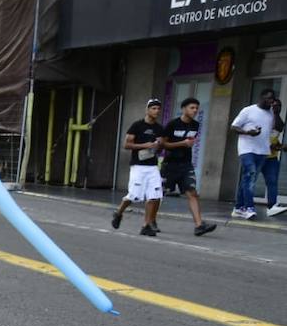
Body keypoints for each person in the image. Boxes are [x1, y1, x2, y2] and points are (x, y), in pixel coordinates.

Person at [158, 98, 216, 236]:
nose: (195, 110)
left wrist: (188, 144)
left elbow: (190, 142)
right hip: (170, 164)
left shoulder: (196, 125)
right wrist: (182, 144)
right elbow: (163, 145)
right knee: (159, 195)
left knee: (192, 193)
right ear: (183, 109)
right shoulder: (172, 124)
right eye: (192, 107)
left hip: (186, 164)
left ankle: (199, 225)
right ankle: (150, 221)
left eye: (197, 108)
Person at [111, 99, 165, 237]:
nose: (156, 111)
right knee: (134, 195)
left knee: (154, 195)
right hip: (138, 166)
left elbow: (161, 145)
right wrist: (145, 145)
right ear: (147, 110)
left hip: (152, 166)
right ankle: (118, 213)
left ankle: (146, 225)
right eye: (153, 108)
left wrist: (158, 145)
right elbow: (127, 145)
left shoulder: (159, 128)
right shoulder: (137, 125)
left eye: (158, 109)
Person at [229, 87, 276, 220]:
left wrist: (276, 112)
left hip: (262, 151)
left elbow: (274, 128)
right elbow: (234, 127)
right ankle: (249, 208)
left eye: (272, 99)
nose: (270, 102)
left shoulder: (271, 113)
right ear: (261, 98)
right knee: (250, 177)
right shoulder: (248, 110)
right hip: (247, 149)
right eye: (268, 99)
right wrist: (248, 132)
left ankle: (238, 208)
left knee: (249, 180)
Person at [264, 97, 284, 218]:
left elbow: (279, 128)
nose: (276, 107)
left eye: (279, 106)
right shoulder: (263, 118)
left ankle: (272, 206)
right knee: (249, 181)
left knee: (272, 182)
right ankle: (242, 205)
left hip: (271, 157)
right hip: (259, 155)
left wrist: (279, 146)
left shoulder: (278, 120)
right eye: (274, 105)